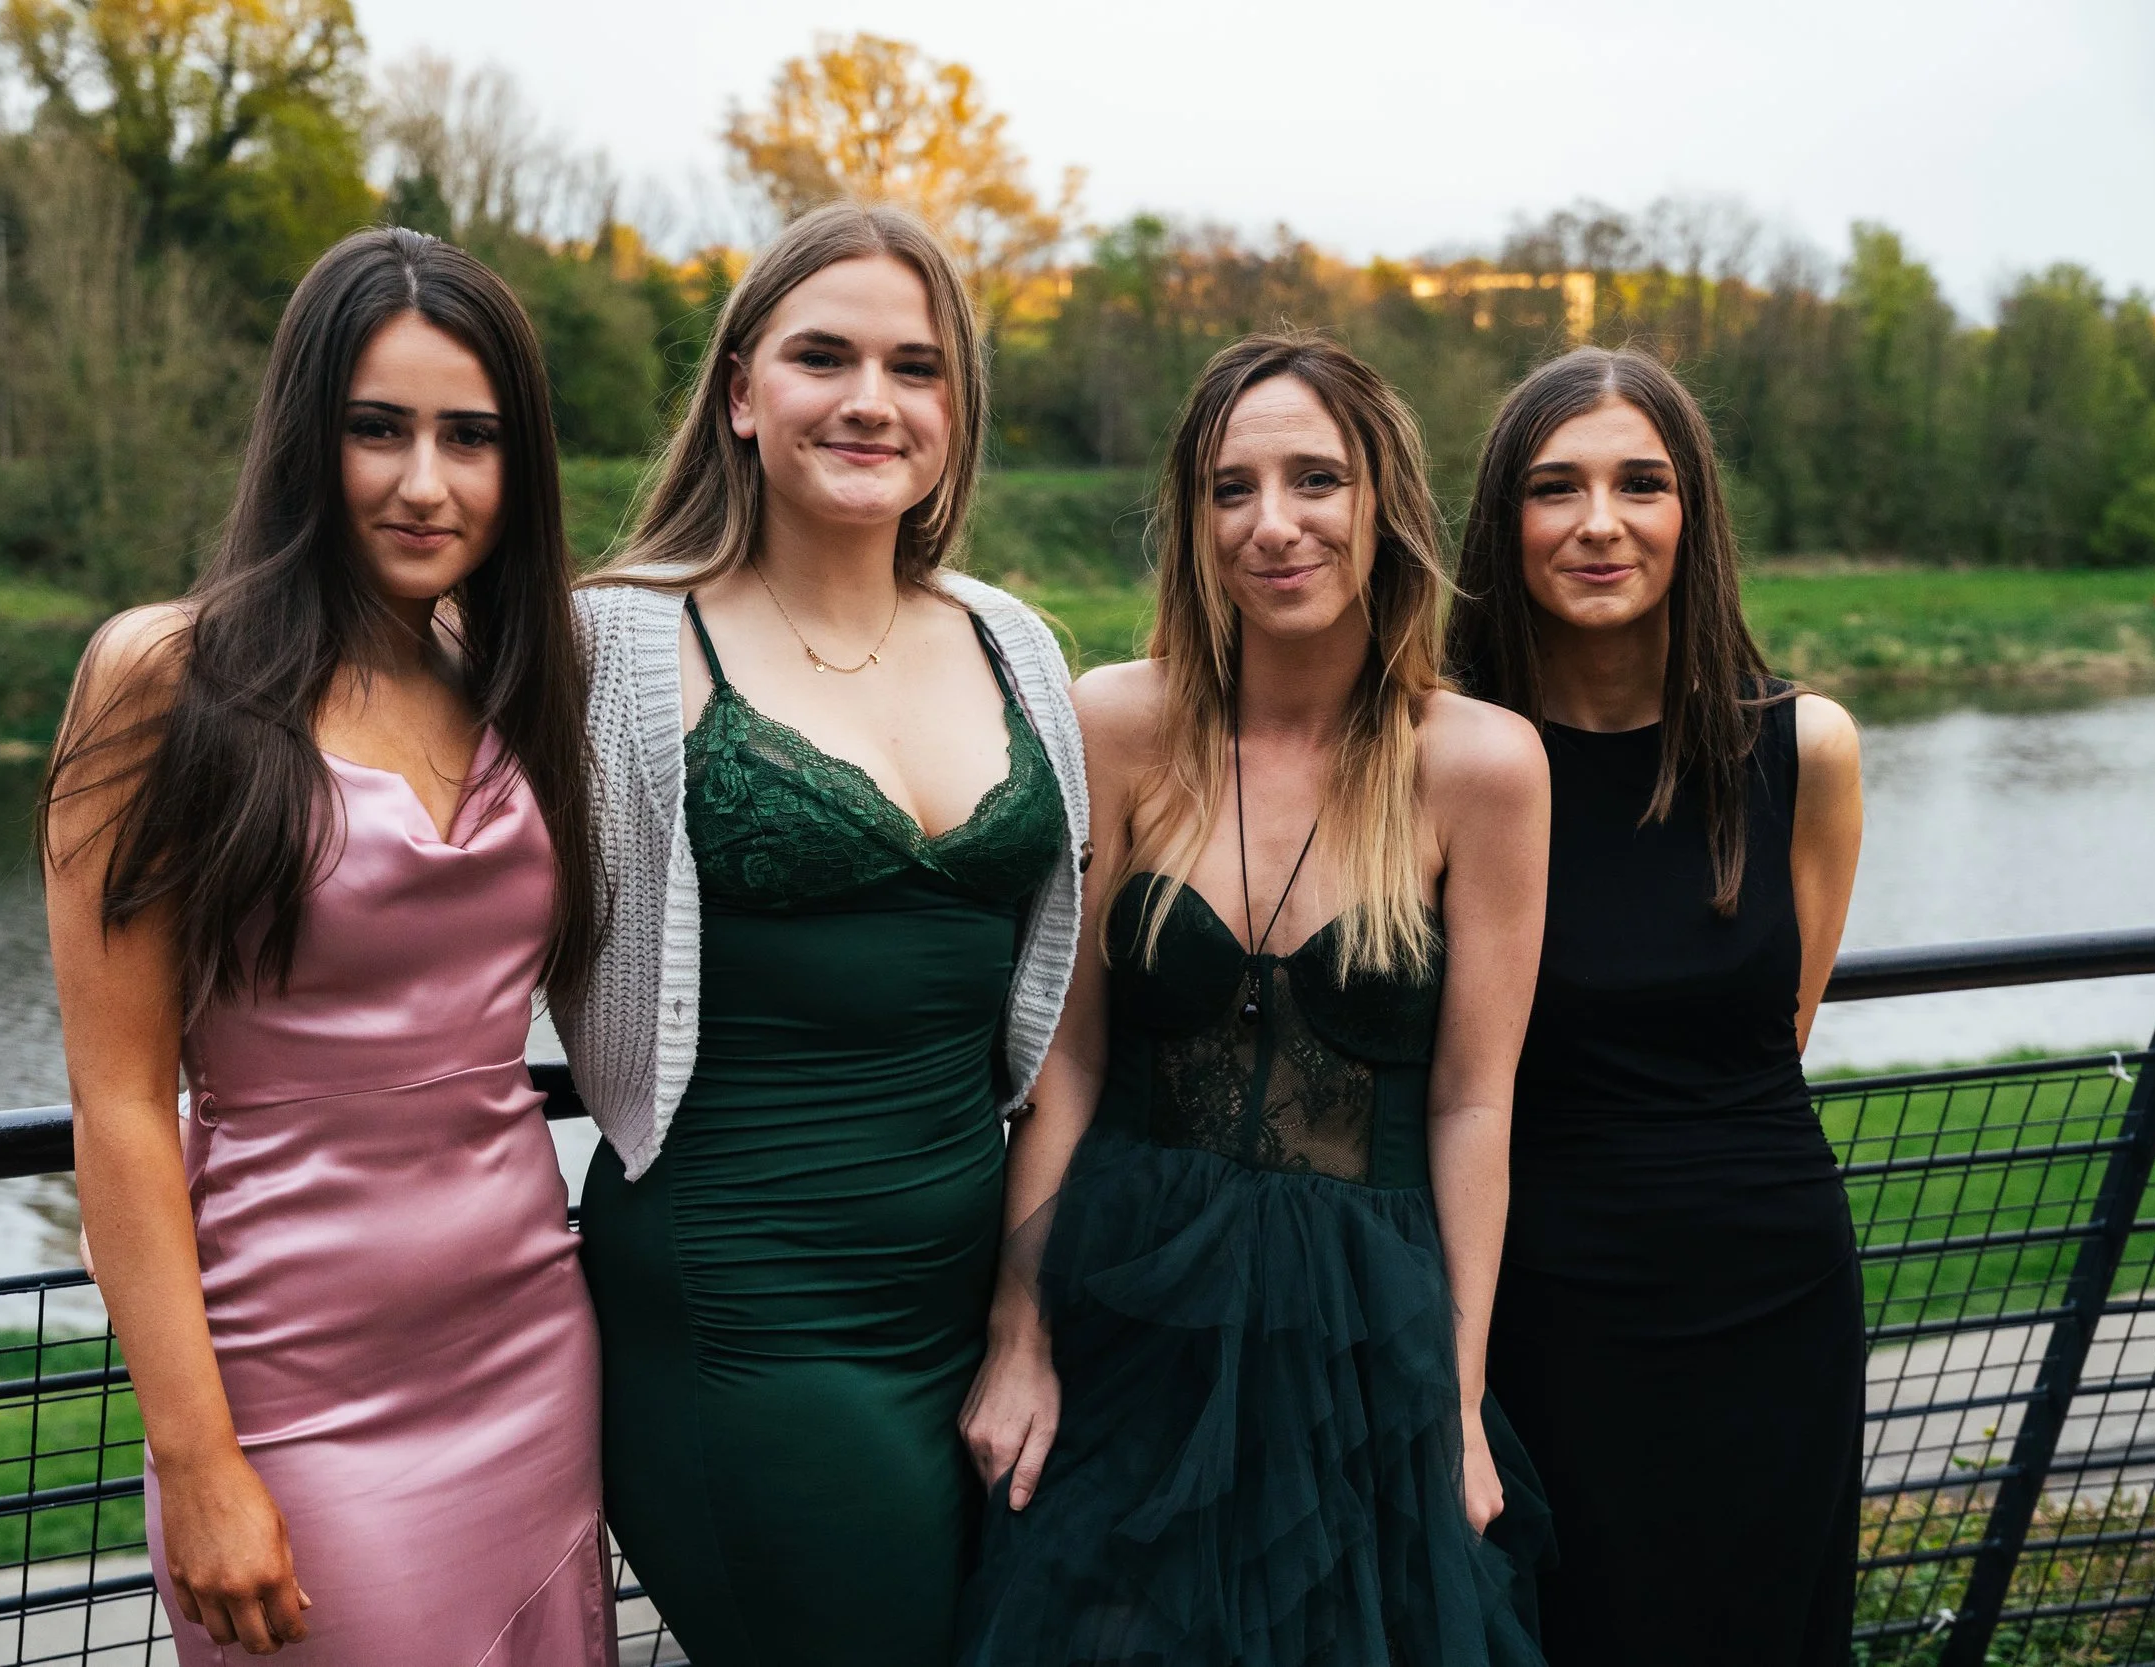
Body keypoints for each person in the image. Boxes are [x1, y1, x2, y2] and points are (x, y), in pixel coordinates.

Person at [41, 228, 607, 1664]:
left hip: (531, 1344)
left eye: (470, 438)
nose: (427, 482)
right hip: (293, 1386)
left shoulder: (511, 675)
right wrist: (197, 1461)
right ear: (307, 437)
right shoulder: (167, 676)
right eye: (379, 428)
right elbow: (116, 1105)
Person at [956, 331, 1554, 1666]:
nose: (1274, 524)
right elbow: (1067, 1066)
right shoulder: (1114, 719)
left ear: (1381, 501)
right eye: (1233, 488)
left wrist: (1456, 1399)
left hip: (1364, 1331)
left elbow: (1472, 1102)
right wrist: (1018, 1332)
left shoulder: (1480, 764)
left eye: (1314, 481)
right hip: (1129, 1306)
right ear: (1194, 517)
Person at [560, 202, 1087, 1667]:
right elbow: (382, 788)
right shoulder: (607, 644)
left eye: (916, 367)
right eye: (822, 356)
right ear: (739, 391)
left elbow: (1067, 1028)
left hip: (978, 1302)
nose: (872, 400)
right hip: (744, 1302)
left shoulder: (1016, 644)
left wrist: (1027, 1314)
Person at [1447, 346, 1866, 1666]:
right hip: (1539, 1305)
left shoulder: (1806, 748)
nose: (1600, 523)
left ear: (1694, 516)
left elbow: (1781, 1025)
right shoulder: (1444, 752)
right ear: (1503, 519)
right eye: (1555, 487)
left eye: (1643, 483)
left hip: (1770, 1290)